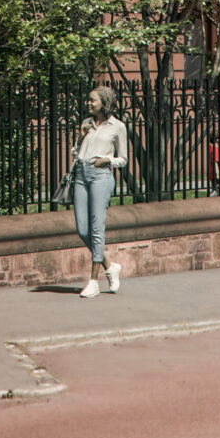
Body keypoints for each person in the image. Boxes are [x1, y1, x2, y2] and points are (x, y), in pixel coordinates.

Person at [70, 86, 129, 297]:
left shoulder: (118, 127)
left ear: (104, 102)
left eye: (92, 100)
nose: (88, 103)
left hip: (100, 175)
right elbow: (75, 153)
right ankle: (110, 266)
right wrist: (79, 137)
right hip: (81, 174)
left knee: (96, 228)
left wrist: (106, 160)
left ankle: (93, 281)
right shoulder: (86, 124)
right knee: (82, 229)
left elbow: (123, 158)